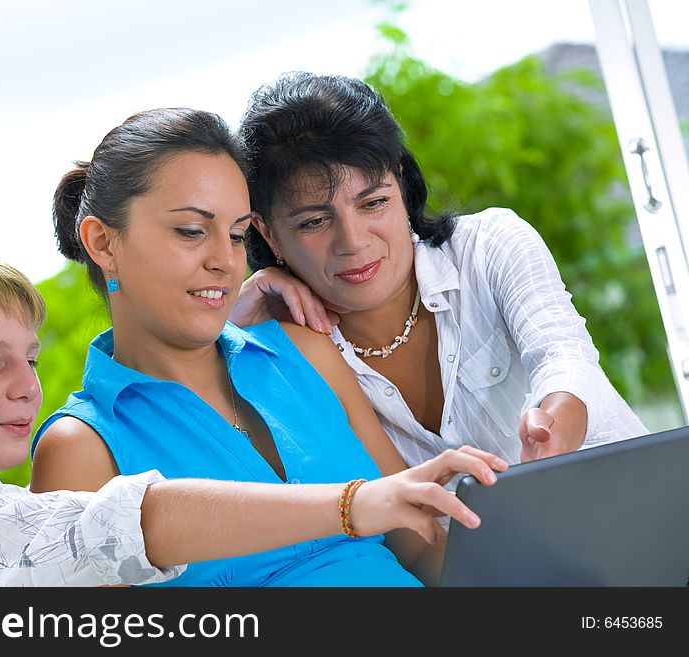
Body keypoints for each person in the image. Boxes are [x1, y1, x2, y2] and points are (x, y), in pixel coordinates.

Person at [0, 245, 504, 587]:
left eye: (29, 360)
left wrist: (211, 326)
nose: (23, 388)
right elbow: (140, 519)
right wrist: (358, 501)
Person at [29, 107, 506, 587]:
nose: (225, 261)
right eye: (192, 232)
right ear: (104, 242)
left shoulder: (305, 354)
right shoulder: (82, 448)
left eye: (236, 235)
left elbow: (425, 551)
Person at [230, 71, 648, 469]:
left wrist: (556, 421)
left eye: (373, 202)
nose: (353, 241)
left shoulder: (489, 246)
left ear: (399, 181)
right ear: (267, 232)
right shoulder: (288, 351)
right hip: (490, 548)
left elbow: (564, 353)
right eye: (314, 222)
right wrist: (231, 324)